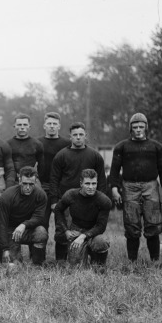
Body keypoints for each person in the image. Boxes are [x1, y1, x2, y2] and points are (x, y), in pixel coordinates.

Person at [109, 113, 162, 263]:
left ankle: (155, 260)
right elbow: (114, 170)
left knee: (153, 224)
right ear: (130, 129)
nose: (138, 130)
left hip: (151, 186)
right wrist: (114, 188)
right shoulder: (121, 147)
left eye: (141, 126)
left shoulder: (157, 147)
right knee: (131, 225)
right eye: (135, 127)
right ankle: (132, 262)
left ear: (146, 128)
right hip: (129, 187)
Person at [49, 121, 107, 262]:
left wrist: (99, 199)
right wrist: (54, 201)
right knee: (63, 232)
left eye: (81, 134)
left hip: (90, 200)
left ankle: (94, 259)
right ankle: (60, 261)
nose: (78, 137)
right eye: (75, 135)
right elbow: (54, 179)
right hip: (67, 200)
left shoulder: (94, 155)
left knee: (90, 230)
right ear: (70, 137)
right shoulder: (61, 155)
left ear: (86, 136)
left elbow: (102, 180)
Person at [54, 169, 112, 267]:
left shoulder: (104, 201)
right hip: (75, 230)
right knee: (76, 267)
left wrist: (83, 236)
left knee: (102, 242)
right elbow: (58, 210)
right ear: (81, 183)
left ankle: (100, 265)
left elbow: (101, 226)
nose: (91, 187)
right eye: (87, 183)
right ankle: (83, 256)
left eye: (94, 184)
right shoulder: (71, 195)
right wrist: (66, 231)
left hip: (93, 233)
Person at [0, 166, 48, 265]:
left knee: (41, 232)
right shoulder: (8, 195)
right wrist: (5, 248)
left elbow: (39, 217)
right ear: (19, 181)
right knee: (15, 266)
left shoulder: (41, 195)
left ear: (36, 182)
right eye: (25, 183)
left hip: (28, 229)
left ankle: (37, 263)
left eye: (31, 184)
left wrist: (24, 225)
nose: (28, 187)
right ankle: (15, 258)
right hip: (10, 231)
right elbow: (1, 223)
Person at [37, 112, 71, 230]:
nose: (52, 126)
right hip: (43, 186)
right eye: (49, 123)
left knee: (63, 223)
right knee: (41, 222)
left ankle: (62, 249)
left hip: (62, 186)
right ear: (44, 126)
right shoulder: (37, 143)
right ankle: (40, 248)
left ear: (59, 126)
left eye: (54, 124)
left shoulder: (67, 144)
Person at [7, 113, 44, 180]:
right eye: (19, 125)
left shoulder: (37, 144)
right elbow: (6, 166)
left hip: (31, 179)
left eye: (25, 125)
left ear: (29, 127)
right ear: (14, 126)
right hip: (13, 180)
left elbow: (41, 166)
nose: (22, 127)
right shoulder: (7, 144)